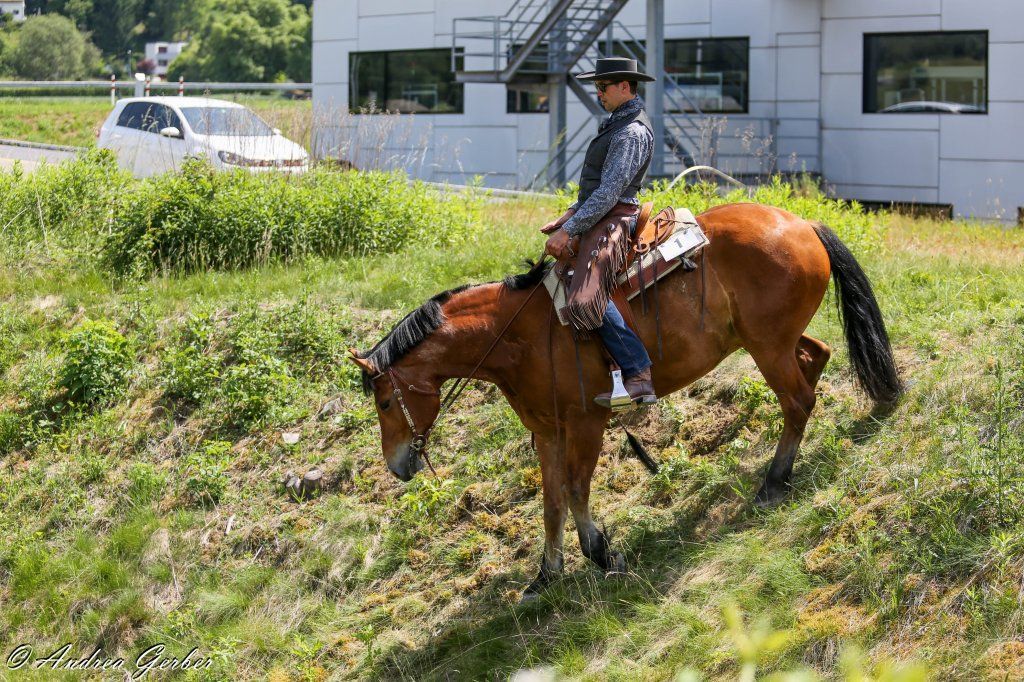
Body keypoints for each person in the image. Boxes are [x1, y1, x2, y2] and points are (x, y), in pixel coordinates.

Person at [541, 57, 657, 408]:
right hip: (601, 213)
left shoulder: (631, 131)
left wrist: (570, 230)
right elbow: (599, 191)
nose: (598, 93)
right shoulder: (616, 123)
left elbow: (610, 193)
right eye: (597, 86)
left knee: (582, 299)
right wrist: (571, 213)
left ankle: (638, 375)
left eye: (603, 87)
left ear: (625, 86)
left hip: (615, 219)